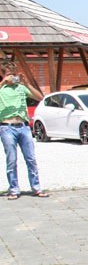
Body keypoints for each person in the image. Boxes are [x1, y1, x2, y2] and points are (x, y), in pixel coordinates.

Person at [1, 60, 48, 199]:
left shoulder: (21, 87)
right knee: (11, 160)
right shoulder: (2, 88)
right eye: (9, 74)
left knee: (31, 159)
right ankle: (14, 189)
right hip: (7, 127)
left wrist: (27, 84)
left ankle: (36, 188)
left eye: (14, 74)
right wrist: (3, 82)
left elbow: (40, 97)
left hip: (24, 127)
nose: (12, 77)